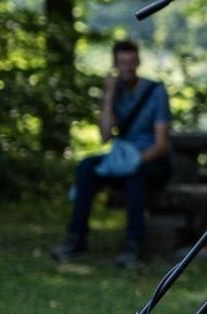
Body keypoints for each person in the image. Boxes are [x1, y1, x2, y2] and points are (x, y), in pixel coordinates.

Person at [54, 39, 172, 268]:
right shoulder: (116, 93)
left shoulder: (155, 92)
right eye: (122, 63)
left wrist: (134, 162)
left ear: (138, 62)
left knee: (134, 176)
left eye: (130, 62)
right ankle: (76, 238)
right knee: (87, 166)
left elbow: (161, 144)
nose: (127, 67)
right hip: (121, 158)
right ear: (115, 64)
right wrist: (108, 94)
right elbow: (106, 135)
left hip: (151, 161)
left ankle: (133, 245)